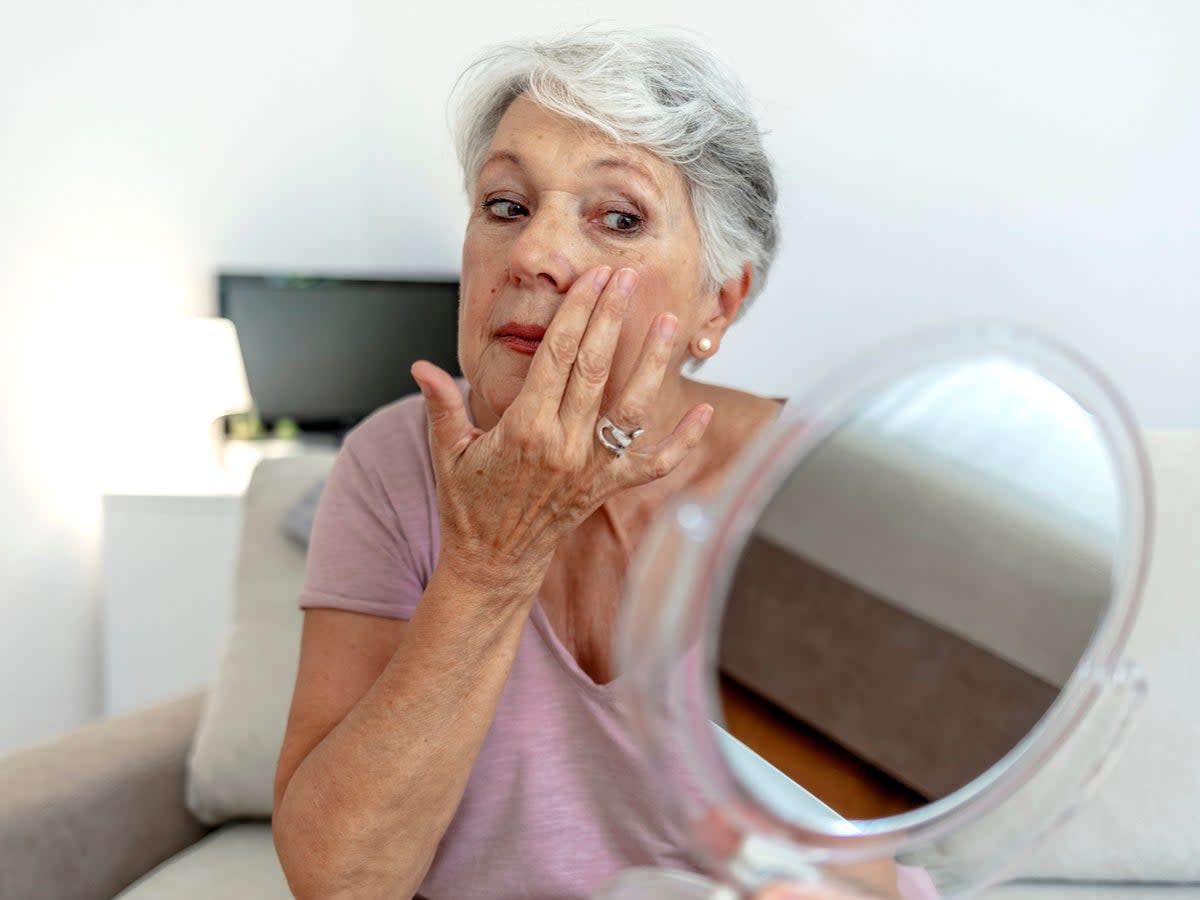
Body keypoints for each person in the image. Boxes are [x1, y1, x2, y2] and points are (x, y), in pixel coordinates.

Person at [270, 26, 901, 900]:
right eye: (506, 206)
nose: (534, 255)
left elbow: (872, 860)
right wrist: (490, 562)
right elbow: (337, 880)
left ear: (719, 302)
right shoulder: (390, 462)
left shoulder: (823, 488)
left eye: (618, 218)